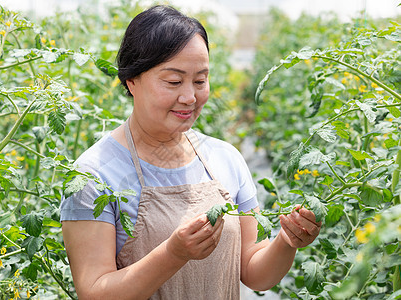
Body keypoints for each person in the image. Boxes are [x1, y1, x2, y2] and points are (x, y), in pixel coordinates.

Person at [60, 5, 321, 300]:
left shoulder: (225, 159)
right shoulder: (93, 174)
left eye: (200, 81)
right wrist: (173, 254)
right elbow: (94, 292)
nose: (190, 97)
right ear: (132, 81)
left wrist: (286, 241)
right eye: (173, 82)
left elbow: (253, 272)